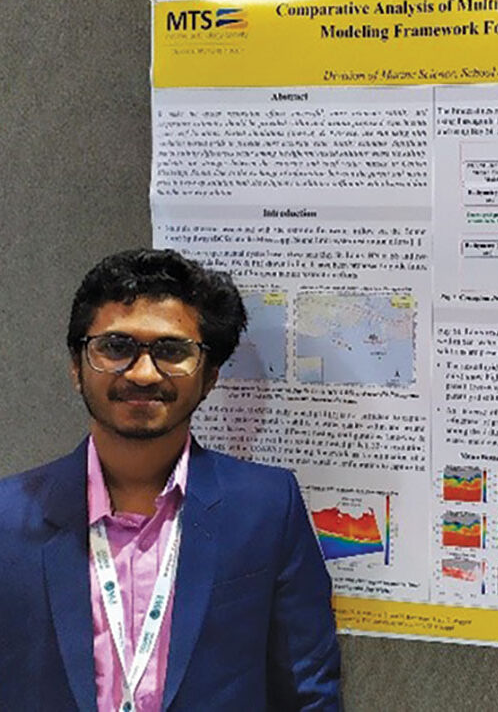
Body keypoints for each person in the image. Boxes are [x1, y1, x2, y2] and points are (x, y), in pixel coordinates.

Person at [0, 248, 341, 711]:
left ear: (210, 376)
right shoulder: (8, 518)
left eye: (172, 351)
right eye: (115, 347)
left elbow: (308, 693)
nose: (143, 373)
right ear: (77, 367)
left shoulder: (266, 507)